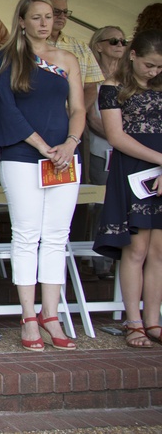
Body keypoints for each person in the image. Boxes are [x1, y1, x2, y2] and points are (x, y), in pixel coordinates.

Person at [0, 0, 85, 351]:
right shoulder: (7, 57)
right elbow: (7, 109)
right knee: (27, 234)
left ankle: (51, 313)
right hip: (22, 155)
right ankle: (28, 316)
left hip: (64, 157)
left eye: (50, 16)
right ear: (22, 21)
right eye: (37, 17)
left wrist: (71, 143)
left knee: (57, 236)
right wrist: (42, 146)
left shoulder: (68, 59)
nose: (45, 23)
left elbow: (77, 108)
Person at [92, 29, 162, 348]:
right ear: (132, 55)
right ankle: (133, 321)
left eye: (160, 67)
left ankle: (153, 320)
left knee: (159, 251)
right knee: (136, 249)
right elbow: (116, 136)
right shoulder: (112, 87)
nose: (154, 72)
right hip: (133, 168)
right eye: (149, 65)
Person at [86, 26, 128, 279]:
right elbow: (91, 118)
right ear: (99, 45)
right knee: (101, 205)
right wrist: (118, 136)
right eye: (114, 40)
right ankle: (101, 263)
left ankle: (121, 261)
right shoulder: (92, 77)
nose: (120, 44)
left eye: (124, 40)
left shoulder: (129, 76)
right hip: (101, 149)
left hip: (128, 151)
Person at [41, 0, 103, 113]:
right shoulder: (26, 45)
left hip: (72, 120)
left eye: (65, 12)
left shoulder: (81, 47)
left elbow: (91, 87)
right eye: (56, 11)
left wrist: (76, 115)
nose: (62, 16)